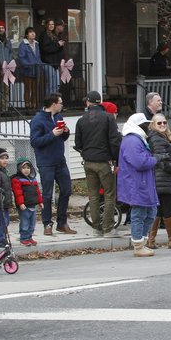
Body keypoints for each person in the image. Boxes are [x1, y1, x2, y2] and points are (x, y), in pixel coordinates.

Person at [74, 90, 122, 237]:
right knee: (109, 195)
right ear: (99, 102)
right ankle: (108, 228)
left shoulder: (81, 120)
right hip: (104, 162)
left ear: (88, 102)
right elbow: (115, 141)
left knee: (93, 196)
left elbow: (78, 143)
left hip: (88, 162)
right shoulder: (108, 118)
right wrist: (114, 158)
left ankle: (96, 228)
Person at [30, 93, 76, 236]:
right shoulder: (37, 120)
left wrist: (65, 133)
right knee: (48, 194)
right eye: (60, 103)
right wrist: (52, 134)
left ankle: (62, 223)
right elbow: (35, 142)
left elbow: (62, 138)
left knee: (66, 190)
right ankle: (47, 223)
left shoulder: (58, 117)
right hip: (46, 162)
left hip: (60, 161)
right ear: (53, 104)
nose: (62, 105)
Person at [117, 112, 158, 256]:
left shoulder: (136, 139)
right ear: (139, 125)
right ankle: (138, 245)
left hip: (141, 181)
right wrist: (155, 159)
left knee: (150, 212)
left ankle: (142, 243)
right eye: (145, 124)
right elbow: (139, 162)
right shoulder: (132, 140)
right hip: (136, 182)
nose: (148, 126)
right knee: (140, 213)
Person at [146, 113, 171, 249]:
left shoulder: (160, 137)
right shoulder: (157, 138)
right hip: (162, 177)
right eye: (159, 123)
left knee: (160, 209)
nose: (162, 125)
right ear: (153, 125)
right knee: (166, 209)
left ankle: (152, 241)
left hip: (160, 177)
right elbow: (160, 159)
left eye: (164, 122)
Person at [11, 158, 42, 246]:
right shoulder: (17, 179)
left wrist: (40, 202)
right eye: (23, 168)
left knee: (32, 223)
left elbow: (37, 192)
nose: (26, 170)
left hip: (33, 205)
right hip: (24, 206)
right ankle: (24, 238)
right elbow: (18, 193)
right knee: (25, 222)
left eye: (28, 168)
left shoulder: (33, 179)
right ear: (19, 169)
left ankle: (29, 237)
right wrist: (21, 203)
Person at [17, 27, 41, 110]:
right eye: (30, 32)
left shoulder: (36, 44)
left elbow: (38, 57)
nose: (33, 34)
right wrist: (29, 65)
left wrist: (39, 64)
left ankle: (34, 105)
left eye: (34, 32)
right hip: (27, 70)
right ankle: (27, 106)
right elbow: (21, 58)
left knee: (35, 89)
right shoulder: (23, 45)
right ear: (27, 35)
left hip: (36, 70)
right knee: (28, 89)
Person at [39, 18, 63, 96]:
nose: (51, 26)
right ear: (46, 25)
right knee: (50, 85)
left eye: (53, 24)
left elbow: (56, 49)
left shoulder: (54, 35)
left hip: (55, 63)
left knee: (56, 85)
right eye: (50, 24)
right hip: (48, 62)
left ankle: (55, 102)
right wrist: (57, 45)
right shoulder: (44, 35)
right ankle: (49, 103)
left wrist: (60, 45)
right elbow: (46, 49)